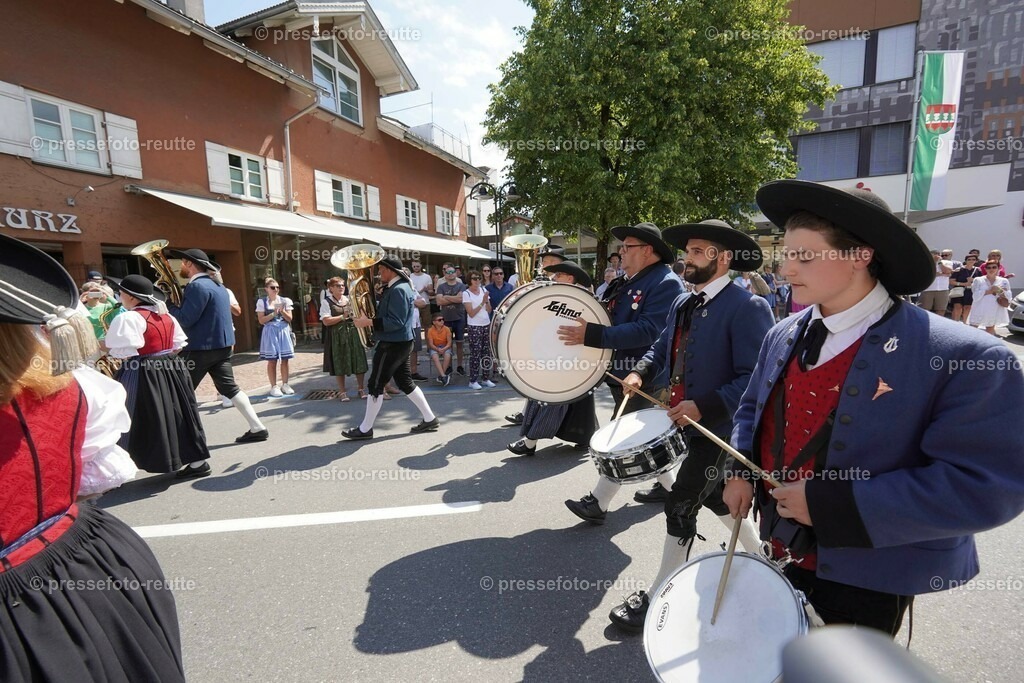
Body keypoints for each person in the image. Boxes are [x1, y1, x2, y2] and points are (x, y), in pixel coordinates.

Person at [722, 180, 1024, 637]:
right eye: (785, 254)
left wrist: (832, 505)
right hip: (780, 544)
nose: (785, 269)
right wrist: (738, 468)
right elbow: (751, 410)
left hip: (870, 574)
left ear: (860, 256)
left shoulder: (969, 355)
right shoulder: (781, 333)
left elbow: (985, 486)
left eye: (804, 256)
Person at [0, 234, 184, 681]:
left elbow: (118, 349)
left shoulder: (126, 322)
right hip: (96, 560)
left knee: (160, 424)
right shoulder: (78, 385)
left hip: (22, 605)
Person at [600, 221, 774, 630]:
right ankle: (765, 560)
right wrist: (640, 373)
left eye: (698, 251)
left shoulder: (747, 306)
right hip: (686, 424)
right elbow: (661, 347)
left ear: (723, 258)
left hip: (723, 430)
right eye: (688, 251)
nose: (687, 258)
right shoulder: (685, 303)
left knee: (680, 503)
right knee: (713, 499)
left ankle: (660, 592)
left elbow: (757, 376)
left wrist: (705, 404)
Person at [556, 222, 684, 414]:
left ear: (647, 250)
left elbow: (648, 330)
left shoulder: (665, 283)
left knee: (624, 441)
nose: (621, 251)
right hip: (621, 374)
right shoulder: (627, 280)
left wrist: (592, 334)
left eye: (627, 247)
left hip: (643, 379)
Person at [105, 275, 213, 477]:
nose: (119, 296)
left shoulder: (129, 318)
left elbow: (124, 351)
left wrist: (98, 343)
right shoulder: (167, 316)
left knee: (130, 414)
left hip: (142, 370)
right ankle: (197, 462)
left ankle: (117, 470)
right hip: (171, 367)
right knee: (179, 412)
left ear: (131, 296)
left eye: (121, 293)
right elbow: (177, 347)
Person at [166, 247, 268, 443]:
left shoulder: (196, 287)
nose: (181, 266)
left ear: (189, 264)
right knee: (231, 388)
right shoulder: (218, 286)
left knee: (180, 392)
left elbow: (185, 319)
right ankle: (257, 427)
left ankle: (186, 442)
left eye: (183, 262)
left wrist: (169, 305)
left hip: (199, 349)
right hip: (221, 347)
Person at [342, 257, 439, 439]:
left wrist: (367, 321)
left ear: (390, 271)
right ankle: (430, 418)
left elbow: (396, 321)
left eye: (381, 270)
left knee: (375, 384)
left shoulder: (398, 290)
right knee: (404, 382)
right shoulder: (398, 287)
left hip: (392, 343)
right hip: (398, 342)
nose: (379, 273)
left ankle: (365, 429)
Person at [507, 262, 598, 456]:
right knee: (574, 401)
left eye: (558, 275)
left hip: (571, 358)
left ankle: (530, 442)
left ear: (570, 278)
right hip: (557, 356)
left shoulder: (582, 301)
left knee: (551, 399)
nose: (553, 279)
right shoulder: (559, 297)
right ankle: (585, 436)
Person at [320, 277, 368, 401]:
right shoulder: (326, 302)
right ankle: (342, 392)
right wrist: (343, 316)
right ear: (331, 288)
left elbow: (360, 315)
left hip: (353, 333)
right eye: (337, 285)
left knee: (358, 360)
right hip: (337, 335)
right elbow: (326, 321)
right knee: (339, 362)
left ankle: (361, 389)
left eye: (342, 285)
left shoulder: (349, 299)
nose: (341, 287)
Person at [256, 277, 295, 397]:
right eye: (273, 287)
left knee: (285, 359)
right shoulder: (262, 302)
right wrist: (273, 313)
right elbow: (261, 320)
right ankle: (273, 386)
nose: (276, 289)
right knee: (272, 360)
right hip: (270, 330)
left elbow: (289, 319)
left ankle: (285, 384)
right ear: (266, 289)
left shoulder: (285, 300)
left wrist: (282, 311)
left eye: (277, 287)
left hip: (283, 329)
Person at [462, 269, 494, 389]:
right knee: (475, 353)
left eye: (479, 278)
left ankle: (486, 378)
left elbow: (489, 310)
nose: (477, 281)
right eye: (474, 278)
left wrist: (487, 302)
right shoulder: (466, 294)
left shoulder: (484, 290)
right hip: (474, 326)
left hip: (486, 324)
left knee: (487, 353)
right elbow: (471, 313)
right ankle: (473, 380)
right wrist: (482, 302)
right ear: (469, 280)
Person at [436, 264, 467, 376]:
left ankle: (459, 366)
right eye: (448, 272)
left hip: (459, 318)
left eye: (452, 272)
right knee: (447, 344)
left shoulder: (461, 285)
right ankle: (448, 367)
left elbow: (461, 299)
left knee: (459, 343)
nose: (450, 274)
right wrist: (454, 299)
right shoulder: (441, 286)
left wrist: (446, 297)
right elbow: (439, 302)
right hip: (446, 319)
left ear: (456, 273)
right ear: (445, 274)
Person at [968, 260, 1012, 335]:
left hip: (994, 307)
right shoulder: (978, 280)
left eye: (994, 267)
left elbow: (1009, 296)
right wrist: (990, 291)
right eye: (989, 267)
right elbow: (975, 296)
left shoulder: (1004, 281)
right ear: (985, 269)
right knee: (973, 328)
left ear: (998, 268)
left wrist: (1000, 290)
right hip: (980, 307)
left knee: (990, 328)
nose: (991, 269)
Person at [919, 249, 953, 316]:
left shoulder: (946, 262)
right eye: (934, 255)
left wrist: (939, 263)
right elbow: (926, 273)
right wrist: (940, 273)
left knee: (941, 309)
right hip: (928, 289)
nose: (936, 256)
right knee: (925, 309)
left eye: (938, 255)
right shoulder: (925, 262)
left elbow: (948, 271)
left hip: (943, 289)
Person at [949, 254, 978, 323]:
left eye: (973, 259)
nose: (971, 261)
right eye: (969, 259)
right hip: (959, 291)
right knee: (957, 307)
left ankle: (965, 323)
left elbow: (981, 282)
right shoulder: (959, 270)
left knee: (968, 307)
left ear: (976, 261)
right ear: (966, 260)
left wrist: (973, 280)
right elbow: (951, 281)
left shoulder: (978, 270)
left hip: (970, 291)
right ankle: (955, 323)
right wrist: (963, 284)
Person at [426, 313, 454, 383]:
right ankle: (443, 376)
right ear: (434, 322)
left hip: (445, 346)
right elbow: (431, 344)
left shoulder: (447, 329)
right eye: (439, 320)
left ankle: (441, 376)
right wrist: (437, 349)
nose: (442, 321)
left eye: (443, 319)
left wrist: (444, 349)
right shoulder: (430, 330)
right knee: (435, 357)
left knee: (447, 356)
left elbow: (449, 342)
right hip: (435, 347)